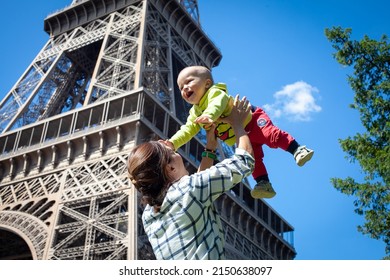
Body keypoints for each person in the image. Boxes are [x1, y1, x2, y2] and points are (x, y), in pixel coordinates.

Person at [127, 95, 254, 260]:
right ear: (170, 168)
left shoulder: (148, 215)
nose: (176, 152)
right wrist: (237, 122)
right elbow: (245, 161)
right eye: (173, 153)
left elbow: (194, 193)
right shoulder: (191, 190)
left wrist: (210, 148)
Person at [162, 65, 314, 199]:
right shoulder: (195, 112)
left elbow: (217, 104)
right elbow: (188, 129)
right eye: (181, 87)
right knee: (252, 159)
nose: (184, 89)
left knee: (270, 135)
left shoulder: (215, 92)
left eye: (188, 82)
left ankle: (297, 149)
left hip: (252, 120)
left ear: (207, 83)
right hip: (240, 132)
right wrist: (173, 143)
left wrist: (209, 116)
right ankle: (263, 182)